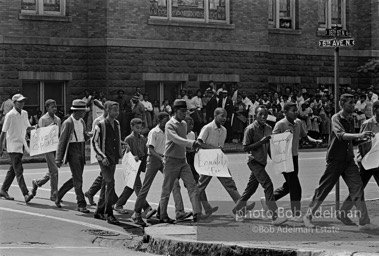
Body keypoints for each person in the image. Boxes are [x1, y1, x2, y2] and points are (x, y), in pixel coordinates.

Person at [303, 94, 378, 231]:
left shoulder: (350, 119)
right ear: (341, 104)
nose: (353, 105)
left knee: (357, 188)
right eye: (350, 103)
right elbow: (341, 135)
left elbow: (353, 141)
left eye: (354, 102)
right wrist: (360, 135)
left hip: (348, 160)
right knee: (324, 188)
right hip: (335, 160)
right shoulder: (336, 118)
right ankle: (308, 215)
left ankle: (363, 221)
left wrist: (365, 139)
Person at [131, 112, 191, 226]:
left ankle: (174, 212)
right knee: (146, 187)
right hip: (154, 159)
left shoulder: (169, 131)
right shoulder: (154, 132)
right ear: (159, 121)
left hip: (165, 159)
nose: (168, 122)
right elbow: (151, 150)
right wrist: (161, 158)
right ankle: (137, 213)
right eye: (165, 120)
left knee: (174, 184)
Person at [266, 102, 321, 222]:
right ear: (285, 112)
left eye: (296, 110)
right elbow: (273, 143)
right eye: (293, 110)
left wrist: (315, 141)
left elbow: (305, 137)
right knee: (296, 186)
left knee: (289, 185)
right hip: (284, 159)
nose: (296, 112)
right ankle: (296, 214)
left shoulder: (298, 123)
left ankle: (270, 199)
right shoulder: (280, 125)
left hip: (294, 157)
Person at [234, 105, 287, 225]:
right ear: (255, 115)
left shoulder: (269, 128)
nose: (263, 116)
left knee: (250, 189)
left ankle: (237, 210)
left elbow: (269, 146)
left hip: (262, 162)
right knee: (268, 185)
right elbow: (245, 147)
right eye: (260, 114)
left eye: (265, 114)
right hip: (253, 161)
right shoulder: (250, 129)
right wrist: (260, 142)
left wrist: (276, 159)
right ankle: (274, 216)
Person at [159, 99, 203, 223]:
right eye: (182, 111)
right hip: (170, 160)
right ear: (175, 111)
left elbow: (183, 141)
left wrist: (193, 147)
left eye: (186, 111)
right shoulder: (170, 124)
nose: (184, 114)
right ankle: (163, 215)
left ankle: (197, 213)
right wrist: (191, 143)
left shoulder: (183, 124)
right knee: (167, 189)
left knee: (192, 186)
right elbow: (176, 139)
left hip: (182, 161)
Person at [338, 100, 379, 226]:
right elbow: (363, 143)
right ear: (376, 110)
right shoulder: (368, 124)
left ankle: (343, 212)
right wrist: (368, 160)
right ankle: (344, 212)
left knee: (358, 189)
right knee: (358, 189)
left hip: (377, 162)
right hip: (366, 162)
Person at [197, 108, 243, 217]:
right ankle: (197, 210)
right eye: (222, 116)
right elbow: (199, 143)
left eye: (225, 116)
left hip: (218, 161)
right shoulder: (207, 128)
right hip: (207, 160)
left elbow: (220, 147)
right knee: (201, 186)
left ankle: (241, 205)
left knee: (229, 183)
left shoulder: (224, 130)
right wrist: (213, 149)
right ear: (215, 115)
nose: (224, 118)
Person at [113, 118, 155, 217]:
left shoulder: (143, 139)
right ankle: (146, 208)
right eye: (137, 127)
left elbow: (145, 151)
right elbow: (125, 154)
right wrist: (132, 156)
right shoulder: (128, 139)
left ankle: (118, 204)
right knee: (138, 188)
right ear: (131, 127)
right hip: (132, 165)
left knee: (130, 187)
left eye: (140, 128)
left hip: (139, 165)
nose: (139, 130)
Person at [55, 99, 91, 213]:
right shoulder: (68, 122)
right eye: (83, 111)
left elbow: (83, 135)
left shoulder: (81, 121)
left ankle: (58, 195)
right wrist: (58, 158)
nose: (84, 113)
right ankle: (81, 203)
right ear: (76, 111)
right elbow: (62, 140)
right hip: (72, 150)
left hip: (81, 148)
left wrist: (89, 135)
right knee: (78, 179)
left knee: (77, 177)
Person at [0, 94, 36, 203]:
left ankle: (3, 190)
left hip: (22, 145)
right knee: (19, 170)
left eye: (23, 101)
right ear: (14, 103)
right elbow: (3, 132)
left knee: (13, 169)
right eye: (20, 102)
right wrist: (0, 147)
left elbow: (27, 127)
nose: (22, 103)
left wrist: (37, 128)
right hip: (13, 145)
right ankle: (25, 193)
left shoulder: (24, 113)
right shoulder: (10, 115)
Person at [92, 101, 123, 225]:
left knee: (106, 183)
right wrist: (102, 156)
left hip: (113, 157)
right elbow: (94, 142)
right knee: (110, 183)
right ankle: (109, 213)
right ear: (107, 110)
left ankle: (99, 211)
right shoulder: (100, 124)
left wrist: (122, 146)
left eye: (118, 110)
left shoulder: (117, 124)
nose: (117, 112)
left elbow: (117, 139)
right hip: (104, 159)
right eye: (114, 110)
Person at [31, 99, 62, 201]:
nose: (54, 109)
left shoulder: (58, 119)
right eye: (52, 107)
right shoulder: (43, 119)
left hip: (55, 147)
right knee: (54, 170)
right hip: (47, 147)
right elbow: (40, 134)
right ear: (47, 108)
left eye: (55, 107)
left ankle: (38, 182)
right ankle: (54, 194)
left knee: (52, 170)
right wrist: (49, 128)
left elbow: (59, 134)